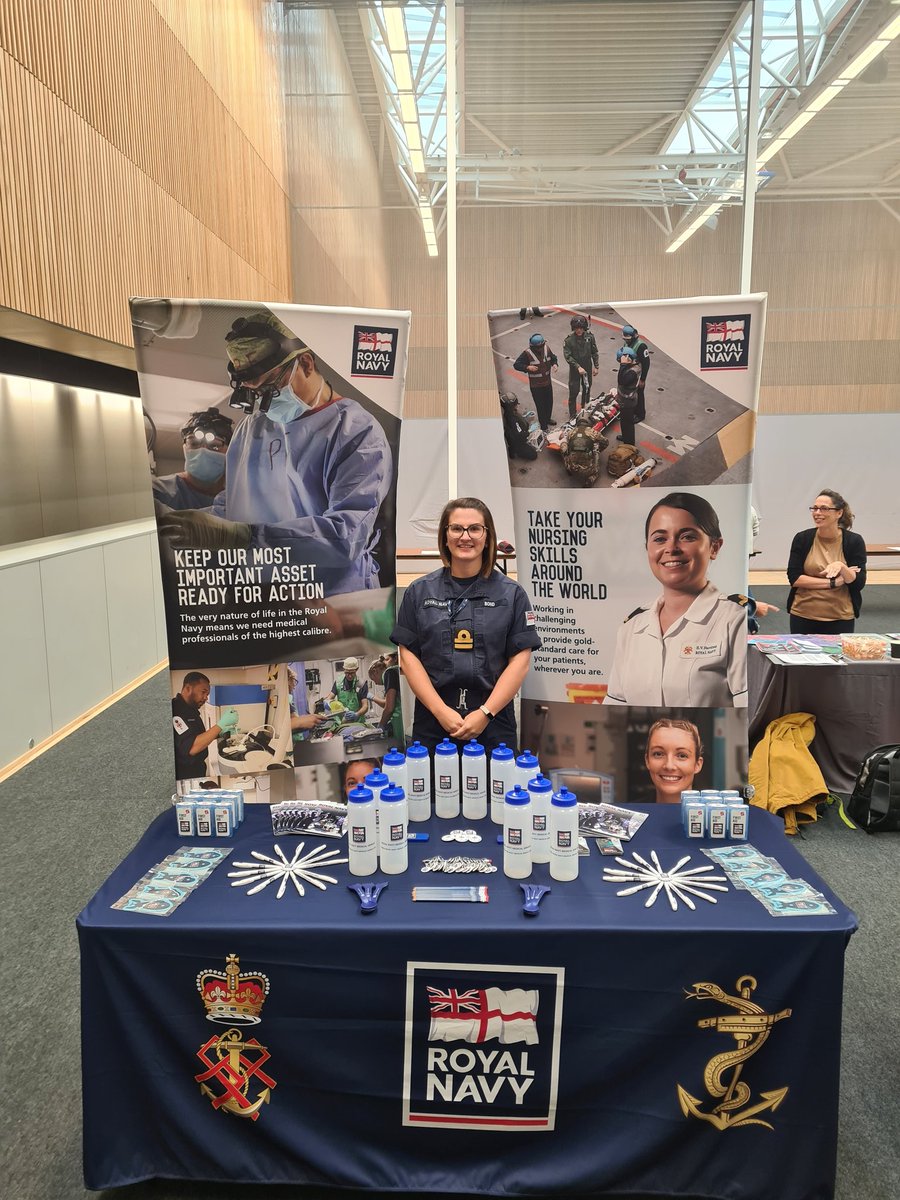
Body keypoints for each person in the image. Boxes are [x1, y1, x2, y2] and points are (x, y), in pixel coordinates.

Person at [156, 310, 392, 595]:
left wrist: (245, 537)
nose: (264, 404)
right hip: (263, 596)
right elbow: (234, 506)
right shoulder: (251, 429)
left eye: (270, 388)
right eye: (255, 394)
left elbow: (347, 536)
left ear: (305, 363)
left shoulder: (356, 433)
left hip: (334, 602)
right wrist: (181, 523)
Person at [391, 497, 541, 754]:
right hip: (434, 721)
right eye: (456, 528)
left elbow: (520, 661)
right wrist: (441, 712)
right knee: (434, 793)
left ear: (487, 536)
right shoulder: (419, 591)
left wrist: (484, 713)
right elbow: (407, 657)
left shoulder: (512, 594)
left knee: (497, 792)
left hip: (493, 721)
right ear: (445, 536)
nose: (465, 537)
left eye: (474, 528)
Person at [604, 492, 748, 707]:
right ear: (648, 549)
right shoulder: (632, 627)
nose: (671, 548)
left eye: (687, 536)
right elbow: (615, 708)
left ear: (714, 547)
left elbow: (748, 714)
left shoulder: (734, 620)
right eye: (660, 539)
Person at [786, 489, 866, 633]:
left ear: (839, 513)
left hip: (840, 617)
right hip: (802, 615)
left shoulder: (854, 541)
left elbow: (858, 582)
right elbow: (795, 578)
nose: (817, 513)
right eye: (815, 508)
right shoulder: (802, 538)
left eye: (824, 509)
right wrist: (834, 582)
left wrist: (842, 567)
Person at [152, 407, 234, 510]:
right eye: (194, 444)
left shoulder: (237, 498)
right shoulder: (158, 492)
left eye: (214, 446)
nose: (202, 450)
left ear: (230, 452)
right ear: (184, 449)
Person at [171, 672, 239, 780]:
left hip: (198, 768)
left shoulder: (191, 709)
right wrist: (220, 725)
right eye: (203, 692)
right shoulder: (176, 711)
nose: (206, 698)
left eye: (207, 694)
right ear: (188, 688)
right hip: (186, 773)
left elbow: (197, 736)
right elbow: (192, 747)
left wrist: (219, 733)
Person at [644, 718, 704, 804]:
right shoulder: (632, 814)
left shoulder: (711, 815)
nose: (669, 766)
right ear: (647, 760)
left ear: (698, 764)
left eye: (682, 756)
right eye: (658, 754)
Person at [513, 333, 558, 433]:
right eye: (538, 347)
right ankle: (543, 426)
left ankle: (547, 419)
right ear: (533, 347)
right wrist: (527, 367)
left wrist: (555, 364)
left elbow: (553, 357)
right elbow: (516, 365)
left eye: (541, 346)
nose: (540, 349)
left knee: (549, 403)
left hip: (547, 383)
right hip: (536, 386)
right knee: (540, 406)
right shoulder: (527, 353)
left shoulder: (546, 349)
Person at [563, 315, 599, 419]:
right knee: (574, 391)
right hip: (575, 370)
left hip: (587, 367)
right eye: (576, 328)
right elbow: (568, 356)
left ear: (584, 327)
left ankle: (585, 408)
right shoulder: (569, 341)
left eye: (581, 328)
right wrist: (577, 367)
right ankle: (573, 414)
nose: (579, 330)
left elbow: (594, 352)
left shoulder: (590, 337)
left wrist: (596, 366)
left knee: (587, 389)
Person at [559, 410, 607, 487]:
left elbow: (568, 445)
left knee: (564, 444)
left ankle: (567, 467)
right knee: (596, 445)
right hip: (587, 469)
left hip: (572, 466)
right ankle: (591, 478)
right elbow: (605, 442)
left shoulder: (571, 432)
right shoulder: (593, 432)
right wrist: (595, 451)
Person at [368, 653, 404, 744]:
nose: (375, 683)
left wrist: (381, 726)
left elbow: (389, 707)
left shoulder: (388, 673)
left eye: (373, 679)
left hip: (400, 722)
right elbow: (390, 702)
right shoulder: (396, 670)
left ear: (375, 671)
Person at [621, 325, 651, 422]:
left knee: (639, 393)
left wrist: (643, 379)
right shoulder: (627, 343)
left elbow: (646, 363)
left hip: (637, 374)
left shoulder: (641, 346)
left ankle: (640, 414)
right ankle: (633, 410)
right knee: (631, 393)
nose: (626, 341)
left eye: (628, 339)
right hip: (629, 372)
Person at [499, 391, 538, 461]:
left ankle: (514, 449)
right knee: (533, 455)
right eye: (515, 404)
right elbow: (519, 435)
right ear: (511, 406)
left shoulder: (509, 412)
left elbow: (518, 421)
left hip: (514, 435)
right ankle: (515, 451)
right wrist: (530, 430)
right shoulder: (512, 419)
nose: (517, 405)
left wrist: (525, 417)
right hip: (517, 441)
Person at [329, 656, 369, 721]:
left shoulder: (361, 684)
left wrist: (357, 714)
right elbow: (330, 698)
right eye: (347, 673)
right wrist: (327, 703)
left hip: (357, 722)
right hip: (342, 722)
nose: (349, 676)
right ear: (344, 669)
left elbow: (365, 706)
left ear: (357, 669)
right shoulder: (338, 682)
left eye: (352, 673)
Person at [615, 347, 641, 445]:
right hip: (624, 400)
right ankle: (626, 437)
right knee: (624, 422)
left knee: (628, 424)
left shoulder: (633, 371)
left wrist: (623, 365)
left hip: (628, 402)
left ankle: (629, 443)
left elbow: (621, 381)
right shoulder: (632, 366)